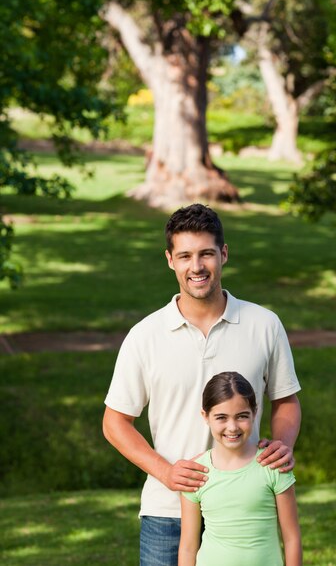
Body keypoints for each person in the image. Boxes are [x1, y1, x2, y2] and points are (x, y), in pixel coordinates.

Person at [103, 203, 301, 566]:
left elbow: (285, 399)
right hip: (169, 512)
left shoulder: (264, 324)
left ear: (223, 254)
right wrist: (166, 472)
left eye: (206, 253)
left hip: (246, 508)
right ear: (170, 260)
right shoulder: (145, 336)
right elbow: (114, 422)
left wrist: (282, 447)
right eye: (185, 256)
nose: (196, 266)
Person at [179, 371, 302, 566]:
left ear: (254, 412)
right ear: (205, 416)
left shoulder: (273, 466)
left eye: (241, 416)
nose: (232, 427)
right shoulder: (197, 473)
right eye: (221, 417)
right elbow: (187, 547)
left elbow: (292, 538)